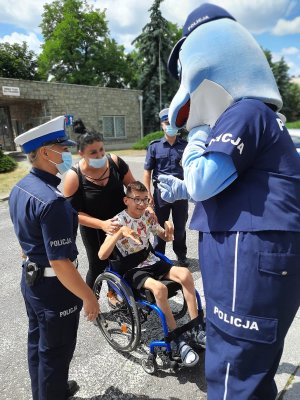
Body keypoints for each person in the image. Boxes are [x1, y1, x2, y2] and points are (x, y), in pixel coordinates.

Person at [157, 3, 300, 400]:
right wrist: (182, 189)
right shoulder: (263, 117)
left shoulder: (244, 111)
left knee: (233, 372)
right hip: (253, 251)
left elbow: (203, 180)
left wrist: (198, 134)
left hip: (246, 253)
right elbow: (237, 184)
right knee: (253, 368)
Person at [9, 116, 100, 400]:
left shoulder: (21, 187)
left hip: (33, 281)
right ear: (46, 152)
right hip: (53, 289)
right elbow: (61, 263)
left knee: (39, 345)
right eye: (62, 148)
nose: (67, 154)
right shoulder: (53, 201)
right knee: (56, 353)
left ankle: (49, 391)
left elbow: (25, 235)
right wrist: (89, 296)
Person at [98, 181, 206, 366]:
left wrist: (169, 232)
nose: (141, 204)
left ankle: (196, 328)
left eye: (144, 199)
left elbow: (163, 235)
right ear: (126, 200)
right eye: (136, 200)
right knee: (159, 290)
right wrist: (120, 232)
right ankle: (176, 338)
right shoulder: (118, 221)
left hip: (152, 261)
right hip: (133, 269)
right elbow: (102, 254)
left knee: (186, 274)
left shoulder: (147, 216)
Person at [63, 131, 136, 289]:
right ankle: (92, 305)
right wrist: (102, 224)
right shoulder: (73, 176)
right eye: (93, 152)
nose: (100, 155)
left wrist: (145, 206)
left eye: (101, 150)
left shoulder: (115, 162)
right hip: (94, 229)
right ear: (81, 153)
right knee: (98, 266)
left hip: (122, 224)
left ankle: (114, 294)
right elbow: (71, 214)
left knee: (122, 261)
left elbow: (133, 189)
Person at [143, 108, 189, 267]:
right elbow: (147, 171)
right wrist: (148, 193)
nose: (170, 126)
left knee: (180, 226)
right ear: (162, 125)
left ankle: (181, 255)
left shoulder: (186, 145)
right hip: (160, 194)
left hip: (181, 193)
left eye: (173, 123)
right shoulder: (154, 146)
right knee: (159, 226)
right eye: (167, 123)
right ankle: (159, 256)